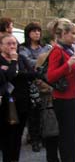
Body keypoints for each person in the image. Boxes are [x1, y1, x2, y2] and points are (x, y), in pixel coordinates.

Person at [46, 19, 75, 162]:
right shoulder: (57, 51)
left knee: (74, 134)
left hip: (74, 97)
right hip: (64, 99)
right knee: (67, 136)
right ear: (63, 34)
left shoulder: (69, 48)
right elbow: (50, 76)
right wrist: (68, 65)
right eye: (72, 33)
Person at [0, 34, 37, 162]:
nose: (12, 46)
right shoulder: (4, 59)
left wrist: (15, 72)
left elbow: (31, 74)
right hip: (6, 105)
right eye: (8, 44)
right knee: (6, 136)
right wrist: (13, 66)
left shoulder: (21, 58)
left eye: (14, 43)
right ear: (1, 46)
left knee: (18, 134)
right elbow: (7, 77)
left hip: (22, 102)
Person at [18, 23, 51, 153]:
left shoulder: (46, 47)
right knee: (34, 112)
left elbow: (49, 61)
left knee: (46, 111)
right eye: (33, 31)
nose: (37, 33)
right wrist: (42, 60)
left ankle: (45, 137)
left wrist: (39, 61)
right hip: (32, 82)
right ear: (28, 33)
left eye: (38, 31)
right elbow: (28, 62)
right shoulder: (23, 49)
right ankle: (34, 138)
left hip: (46, 81)